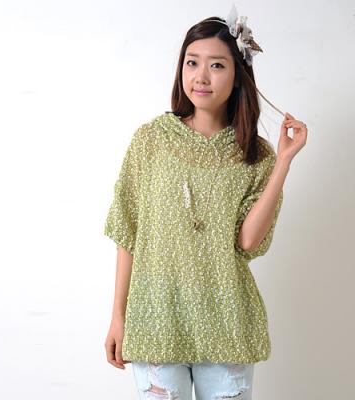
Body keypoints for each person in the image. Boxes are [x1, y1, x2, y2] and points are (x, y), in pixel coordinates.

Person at [103, 6, 307, 400]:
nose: (201, 76)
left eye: (216, 65)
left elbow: (248, 242)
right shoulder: (151, 140)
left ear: (238, 74)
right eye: (192, 62)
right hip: (156, 320)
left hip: (226, 321)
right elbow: (127, 230)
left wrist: (283, 162)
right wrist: (118, 316)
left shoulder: (257, 156)